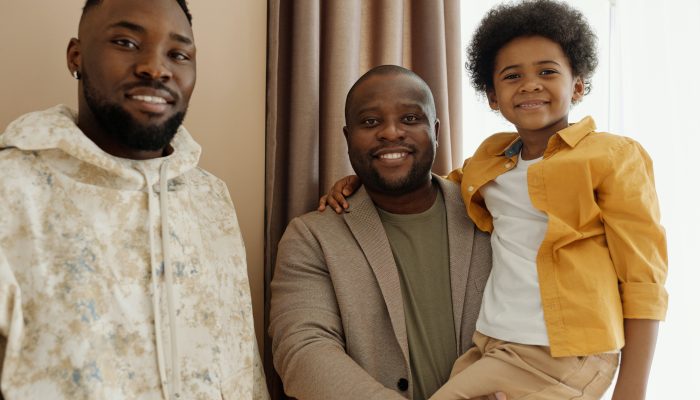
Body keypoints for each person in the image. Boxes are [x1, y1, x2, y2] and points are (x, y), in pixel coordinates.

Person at [321, 1, 668, 399]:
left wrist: (632, 390)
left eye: (547, 72)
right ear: (491, 95)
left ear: (577, 85)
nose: (530, 84)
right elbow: (421, 185)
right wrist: (359, 181)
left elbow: (644, 280)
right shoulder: (490, 161)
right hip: (493, 347)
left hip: (564, 355)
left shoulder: (613, 157)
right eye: (512, 75)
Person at [0, 0, 268, 399]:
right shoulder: (12, 191)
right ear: (76, 56)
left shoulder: (210, 196)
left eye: (178, 54)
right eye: (126, 42)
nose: (156, 68)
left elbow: (242, 363)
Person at [269, 65, 502, 400]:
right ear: (348, 138)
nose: (391, 133)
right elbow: (303, 351)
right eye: (370, 122)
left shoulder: (491, 213)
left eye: (410, 119)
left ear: (435, 131)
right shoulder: (311, 237)